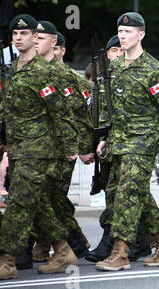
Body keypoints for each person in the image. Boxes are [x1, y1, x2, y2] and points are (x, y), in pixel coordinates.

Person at [94, 12, 159, 271]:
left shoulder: (153, 70)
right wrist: (103, 138)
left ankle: (121, 252)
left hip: (143, 142)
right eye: (120, 32)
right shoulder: (116, 66)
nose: (123, 36)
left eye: (128, 32)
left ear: (141, 34)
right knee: (136, 194)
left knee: (126, 195)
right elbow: (108, 105)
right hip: (119, 142)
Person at [0, 14, 79, 280]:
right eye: (15, 35)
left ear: (36, 38)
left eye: (24, 34)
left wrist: (70, 147)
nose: (19, 38)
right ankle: (63, 248)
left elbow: (61, 112)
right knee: (40, 204)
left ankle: (7, 260)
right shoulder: (14, 69)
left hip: (39, 149)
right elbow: (8, 110)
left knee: (18, 204)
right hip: (19, 148)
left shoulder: (43, 72)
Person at [31, 21, 93, 264]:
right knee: (44, 199)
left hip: (62, 150)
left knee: (49, 197)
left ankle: (58, 246)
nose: (36, 42)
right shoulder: (27, 73)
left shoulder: (68, 77)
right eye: (33, 37)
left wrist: (84, 147)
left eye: (41, 38)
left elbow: (83, 115)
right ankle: (71, 243)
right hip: (34, 147)